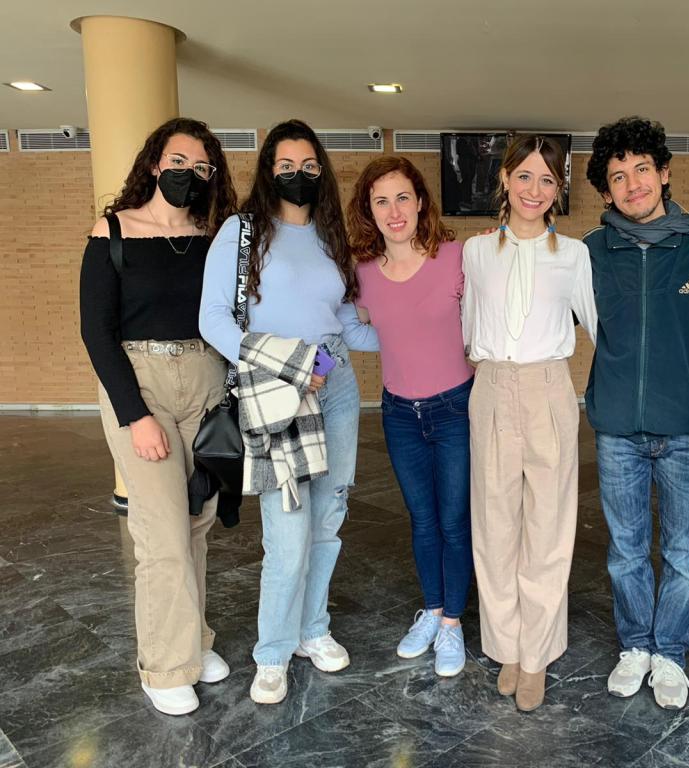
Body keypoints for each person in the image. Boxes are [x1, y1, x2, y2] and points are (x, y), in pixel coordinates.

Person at [199, 119, 379, 705]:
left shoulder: (332, 236)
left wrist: (421, 329)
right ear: (268, 170)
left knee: (328, 517)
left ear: (320, 171)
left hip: (337, 383)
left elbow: (348, 323)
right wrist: (289, 361)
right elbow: (213, 319)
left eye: (308, 166)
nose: (297, 175)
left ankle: (312, 630)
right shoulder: (243, 232)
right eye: (285, 166)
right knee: (288, 528)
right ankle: (272, 652)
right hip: (280, 389)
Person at [80, 117, 237, 716]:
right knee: (162, 533)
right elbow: (97, 332)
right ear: (154, 164)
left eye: (201, 167)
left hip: (206, 380)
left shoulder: (212, 236)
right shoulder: (114, 230)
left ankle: (193, 642)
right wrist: (135, 414)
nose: (188, 174)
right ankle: (165, 667)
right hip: (141, 383)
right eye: (178, 162)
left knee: (195, 520)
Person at [583, 116, 689, 710]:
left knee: (684, 553)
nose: (633, 183)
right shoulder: (590, 252)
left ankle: (670, 653)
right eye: (618, 176)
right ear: (606, 190)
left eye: (642, 169)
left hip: (687, 424)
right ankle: (635, 645)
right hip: (617, 427)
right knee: (626, 550)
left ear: (663, 173)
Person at [462, 134, 597, 712]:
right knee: (495, 530)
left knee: (547, 529)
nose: (534, 190)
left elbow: (599, 327)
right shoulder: (475, 252)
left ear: (558, 189)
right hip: (492, 387)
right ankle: (507, 648)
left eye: (547, 180)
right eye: (524, 176)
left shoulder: (574, 255)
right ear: (505, 180)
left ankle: (537, 653)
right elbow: (469, 328)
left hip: (548, 389)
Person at [346, 156, 474, 677]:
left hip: (456, 409)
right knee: (422, 521)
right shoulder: (362, 274)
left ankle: (453, 624)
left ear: (421, 202)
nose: (394, 211)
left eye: (403, 197)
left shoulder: (458, 257)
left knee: (454, 521)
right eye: (381, 201)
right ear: (369, 211)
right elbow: (342, 331)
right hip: (399, 414)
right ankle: (434, 610)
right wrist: (316, 369)